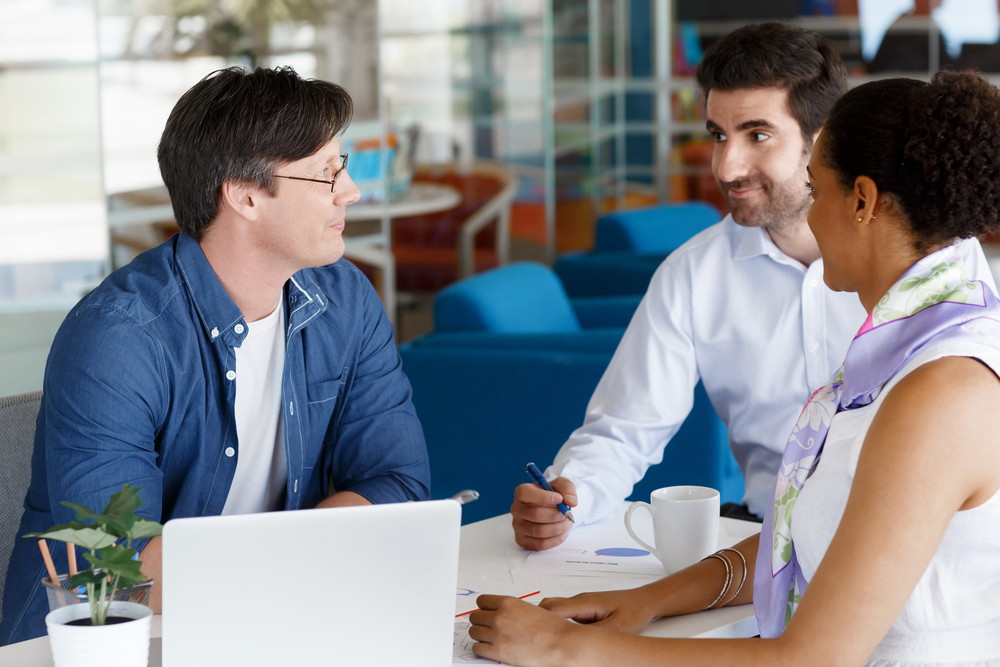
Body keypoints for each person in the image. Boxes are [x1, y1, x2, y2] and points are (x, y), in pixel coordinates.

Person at [471, 70, 1000, 666]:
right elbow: (814, 528)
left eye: (816, 189)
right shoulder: (908, 343)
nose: (811, 216)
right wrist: (647, 601)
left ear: (863, 201)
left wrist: (567, 647)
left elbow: (810, 660)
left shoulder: (944, 391)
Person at [511, 23, 994, 551]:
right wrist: (571, 497)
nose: (727, 167)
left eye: (757, 135)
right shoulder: (694, 273)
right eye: (718, 135)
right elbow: (624, 429)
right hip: (762, 545)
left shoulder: (936, 257)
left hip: (915, 544)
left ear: (824, 137)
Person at [0, 67, 430, 645]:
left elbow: (398, 485)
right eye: (326, 173)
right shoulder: (116, 339)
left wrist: (283, 561)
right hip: (100, 644)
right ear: (245, 195)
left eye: (343, 167)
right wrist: (315, 547)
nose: (350, 191)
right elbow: (119, 570)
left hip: (266, 618)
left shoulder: (344, 299)